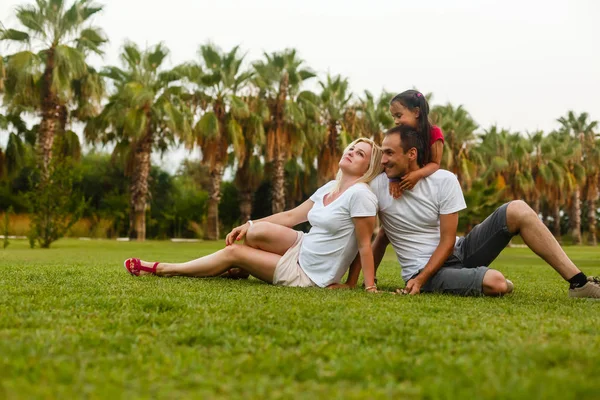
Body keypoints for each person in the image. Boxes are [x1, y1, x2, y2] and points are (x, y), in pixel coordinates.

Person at [341, 125, 600, 298]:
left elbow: (446, 240)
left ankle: (579, 283)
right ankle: (481, 280)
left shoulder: (444, 180)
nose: (382, 160)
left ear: (411, 154)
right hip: (425, 271)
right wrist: (357, 281)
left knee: (517, 208)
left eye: (388, 153)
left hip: (458, 249)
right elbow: (372, 236)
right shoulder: (375, 186)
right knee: (497, 283)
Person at [123, 138, 384, 292]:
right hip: (301, 247)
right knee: (255, 232)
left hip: (309, 274)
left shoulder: (361, 194)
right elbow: (292, 216)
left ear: (368, 168)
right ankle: (237, 268)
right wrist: (248, 224)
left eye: (360, 154)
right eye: (351, 148)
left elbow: (363, 244)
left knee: (233, 252)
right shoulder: (331, 187)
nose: (351, 152)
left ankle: (163, 269)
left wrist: (360, 285)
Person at [388, 89, 444, 198]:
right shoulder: (398, 135)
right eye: (393, 117)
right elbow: (389, 159)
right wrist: (393, 179)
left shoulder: (433, 133)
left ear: (416, 112)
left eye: (399, 115)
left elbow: (435, 163)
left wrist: (417, 174)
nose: (395, 121)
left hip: (425, 190)